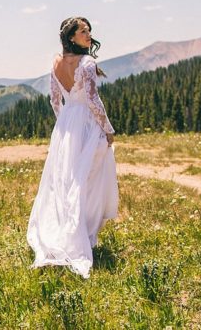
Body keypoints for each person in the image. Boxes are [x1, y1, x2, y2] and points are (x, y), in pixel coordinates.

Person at [26, 16, 119, 278]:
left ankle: (68, 227)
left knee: (66, 179)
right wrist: (108, 128)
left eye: (89, 30)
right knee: (89, 178)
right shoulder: (87, 63)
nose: (88, 34)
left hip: (67, 124)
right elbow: (92, 98)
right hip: (87, 124)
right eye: (82, 31)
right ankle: (83, 233)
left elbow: (55, 100)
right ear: (71, 37)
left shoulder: (55, 63)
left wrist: (65, 127)